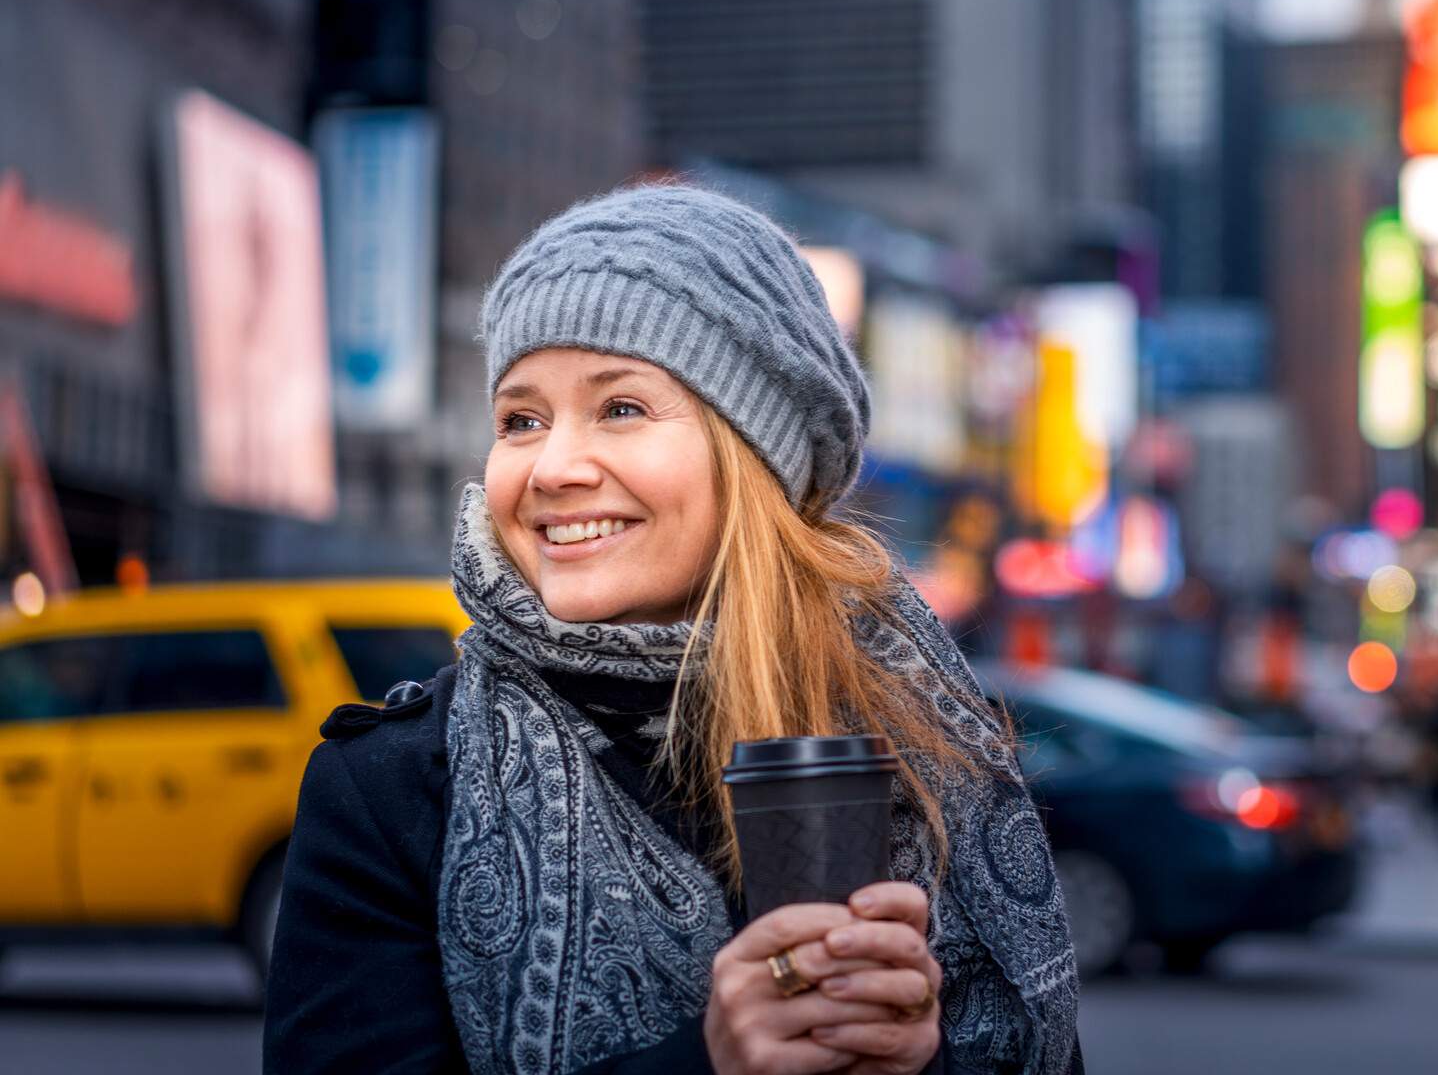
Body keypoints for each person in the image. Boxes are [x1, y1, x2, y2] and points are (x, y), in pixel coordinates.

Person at [263, 186, 1082, 1074]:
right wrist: (711, 1063)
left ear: (754, 457)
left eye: (620, 408)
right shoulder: (391, 789)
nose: (554, 467)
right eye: (520, 420)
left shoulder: (921, 747)